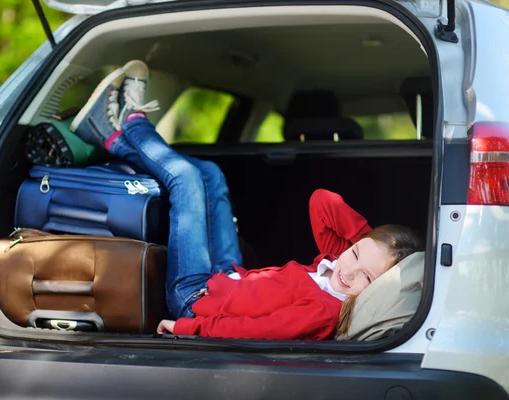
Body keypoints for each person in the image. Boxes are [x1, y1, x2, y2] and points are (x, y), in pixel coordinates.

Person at [70, 60, 424, 340]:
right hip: (230, 277)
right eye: (356, 254)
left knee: (187, 179)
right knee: (211, 174)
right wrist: (363, 244)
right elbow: (322, 202)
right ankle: (109, 137)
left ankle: (132, 122)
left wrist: (189, 328)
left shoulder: (325, 310)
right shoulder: (335, 263)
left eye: (365, 278)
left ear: (375, 293)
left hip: (197, 301)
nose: (348, 272)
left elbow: (253, 332)